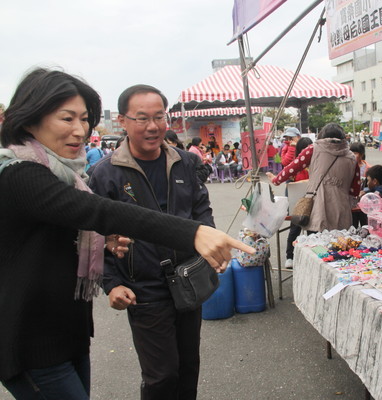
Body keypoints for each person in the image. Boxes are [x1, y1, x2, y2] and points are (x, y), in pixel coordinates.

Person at [0, 69, 253, 400]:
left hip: (71, 333)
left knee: (187, 366)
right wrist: (192, 234)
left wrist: (104, 238)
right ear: (30, 119)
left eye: (85, 119)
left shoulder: (65, 175)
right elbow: (100, 213)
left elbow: (74, 227)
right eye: (67, 118)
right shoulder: (22, 173)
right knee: (161, 376)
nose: (80, 131)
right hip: (34, 341)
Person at [89, 84, 239, 400]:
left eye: (159, 117)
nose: (153, 126)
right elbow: (95, 235)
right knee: (161, 376)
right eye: (142, 118)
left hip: (188, 279)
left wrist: (209, 244)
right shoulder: (105, 174)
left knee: (188, 368)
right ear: (123, 121)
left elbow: (200, 207)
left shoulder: (184, 162)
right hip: (143, 287)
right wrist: (111, 284)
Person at [268, 123, 360, 233]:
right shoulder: (352, 158)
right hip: (342, 212)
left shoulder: (313, 149)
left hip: (318, 210)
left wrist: (276, 180)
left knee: (316, 247)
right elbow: (355, 190)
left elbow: (292, 168)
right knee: (338, 248)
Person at [266, 137, 313, 268]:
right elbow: (287, 177)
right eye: (304, 150)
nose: (307, 153)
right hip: (297, 205)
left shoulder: (316, 166)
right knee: (294, 230)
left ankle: (312, 260)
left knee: (313, 232)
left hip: (314, 205)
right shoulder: (296, 166)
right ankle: (290, 257)